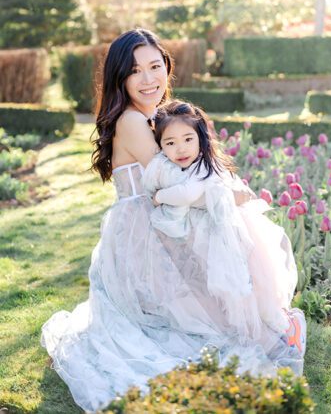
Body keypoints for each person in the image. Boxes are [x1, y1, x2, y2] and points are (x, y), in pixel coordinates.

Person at [40, 29, 302, 411]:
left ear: (166, 66)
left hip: (163, 224)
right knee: (234, 218)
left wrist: (230, 195)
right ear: (120, 78)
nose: (148, 80)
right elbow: (177, 181)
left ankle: (264, 322)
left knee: (235, 218)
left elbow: (194, 174)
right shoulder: (132, 121)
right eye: (135, 71)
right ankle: (262, 324)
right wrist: (233, 197)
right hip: (143, 240)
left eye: (154, 66)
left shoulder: (157, 117)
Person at [146, 100, 305, 352]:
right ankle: (252, 330)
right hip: (216, 235)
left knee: (253, 288)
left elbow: (187, 194)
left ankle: (286, 327)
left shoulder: (204, 167)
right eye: (170, 143)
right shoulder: (174, 167)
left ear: (200, 138)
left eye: (188, 139)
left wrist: (159, 196)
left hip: (237, 234)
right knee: (226, 291)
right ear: (161, 145)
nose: (180, 149)